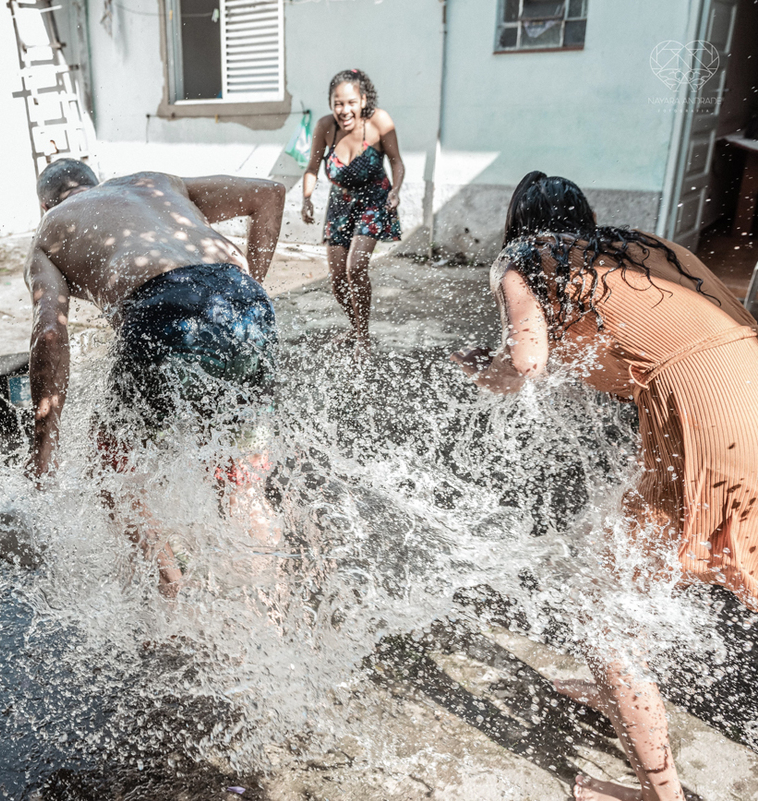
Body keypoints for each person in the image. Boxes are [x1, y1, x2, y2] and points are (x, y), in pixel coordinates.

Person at [452, 171, 758, 801]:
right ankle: (619, 686)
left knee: (602, 614)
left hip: (708, 423)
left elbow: (527, 361)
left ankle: (660, 791)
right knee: (614, 553)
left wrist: (488, 371)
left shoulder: (522, 260)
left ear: (518, 227)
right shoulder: (639, 247)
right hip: (746, 380)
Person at [26, 159, 285, 597]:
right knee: (237, 479)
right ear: (98, 182)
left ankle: (174, 600)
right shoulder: (157, 183)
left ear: (44, 204)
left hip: (165, 311)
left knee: (108, 473)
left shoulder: (51, 227)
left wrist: (44, 444)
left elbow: (50, 332)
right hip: (247, 307)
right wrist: (245, 294)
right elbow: (270, 195)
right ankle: (271, 608)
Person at [301, 68, 405, 356]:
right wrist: (307, 199)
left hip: (375, 199)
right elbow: (311, 168)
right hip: (340, 204)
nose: (344, 110)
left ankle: (364, 338)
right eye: (337, 103)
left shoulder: (380, 122)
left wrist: (396, 189)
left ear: (363, 100)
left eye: (350, 102)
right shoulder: (325, 127)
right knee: (337, 281)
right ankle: (355, 326)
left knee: (355, 267)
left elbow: (396, 162)